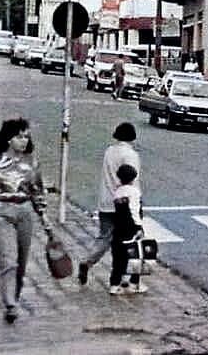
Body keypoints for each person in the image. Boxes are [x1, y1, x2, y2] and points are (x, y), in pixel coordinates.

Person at [0, 118, 52, 324]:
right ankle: (9, 303)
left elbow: (37, 192)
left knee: (22, 261)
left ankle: (14, 295)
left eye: (26, 136)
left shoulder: (32, 163)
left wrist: (45, 219)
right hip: (1, 212)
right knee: (8, 259)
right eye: (19, 136)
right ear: (9, 139)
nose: (24, 140)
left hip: (25, 211)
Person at [78, 122, 140, 287]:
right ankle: (124, 276)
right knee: (127, 242)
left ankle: (87, 261)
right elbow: (133, 180)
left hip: (106, 200)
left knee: (104, 237)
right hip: (124, 205)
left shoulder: (109, 151)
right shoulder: (131, 155)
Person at [109, 163, 146, 295]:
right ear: (133, 179)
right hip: (131, 228)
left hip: (119, 228)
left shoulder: (117, 192)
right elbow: (134, 210)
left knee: (118, 257)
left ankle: (114, 283)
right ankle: (134, 283)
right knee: (136, 255)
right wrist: (138, 227)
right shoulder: (134, 192)